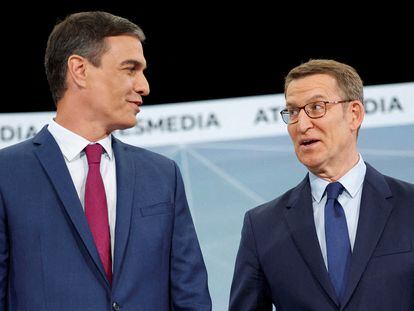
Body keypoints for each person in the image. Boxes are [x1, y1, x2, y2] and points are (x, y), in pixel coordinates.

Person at [0, 11, 211, 310]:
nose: (144, 86)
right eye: (130, 69)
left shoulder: (163, 175)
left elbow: (191, 298)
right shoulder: (7, 174)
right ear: (80, 70)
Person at [229, 59, 414, 310]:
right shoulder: (261, 227)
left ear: (354, 114)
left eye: (316, 107)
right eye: (293, 112)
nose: (302, 124)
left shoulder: (409, 206)